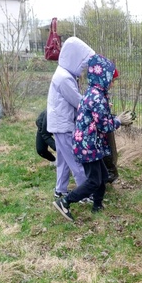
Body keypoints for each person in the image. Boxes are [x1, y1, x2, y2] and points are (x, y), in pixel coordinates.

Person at [53, 54, 121, 222]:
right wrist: (119, 121)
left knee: (103, 176)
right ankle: (65, 202)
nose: (113, 83)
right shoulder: (97, 97)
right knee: (93, 181)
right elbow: (104, 125)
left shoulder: (94, 92)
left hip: (90, 143)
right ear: (103, 77)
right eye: (112, 79)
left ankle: (97, 205)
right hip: (88, 145)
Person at [46, 36, 95, 199]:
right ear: (74, 58)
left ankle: (60, 188)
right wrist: (95, 106)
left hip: (60, 123)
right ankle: (85, 193)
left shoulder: (64, 73)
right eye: (82, 63)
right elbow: (78, 102)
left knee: (63, 159)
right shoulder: (64, 78)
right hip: (64, 125)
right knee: (75, 160)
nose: (83, 68)